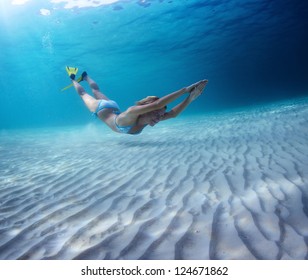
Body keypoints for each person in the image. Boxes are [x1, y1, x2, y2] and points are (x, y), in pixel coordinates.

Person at [65, 66, 208, 135]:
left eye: (159, 115)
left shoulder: (148, 117)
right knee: (83, 93)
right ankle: (73, 79)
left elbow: (171, 113)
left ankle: (85, 77)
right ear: (147, 109)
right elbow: (159, 104)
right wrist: (185, 90)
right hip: (100, 108)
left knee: (96, 91)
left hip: (112, 108)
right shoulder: (133, 112)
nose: (159, 119)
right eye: (157, 114)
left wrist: (190, 98)